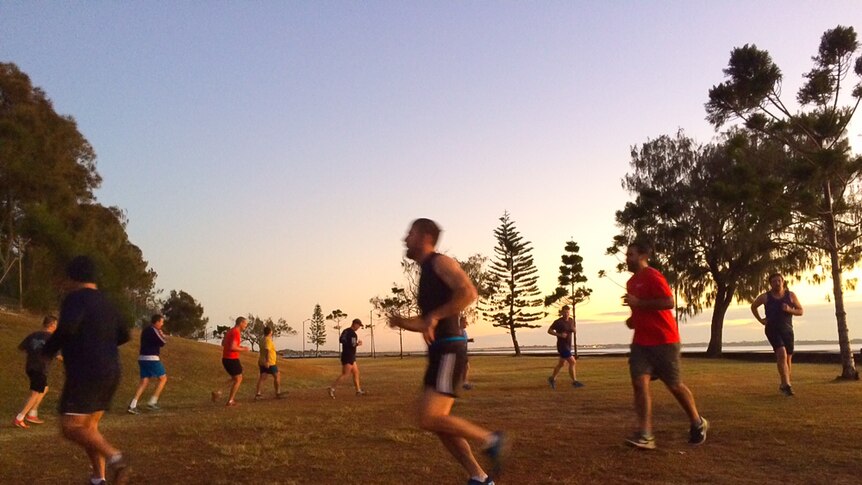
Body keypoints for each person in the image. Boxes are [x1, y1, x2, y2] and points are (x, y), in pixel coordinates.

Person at [388, 219, 505, 485]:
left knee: (430, 418)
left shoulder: (440, 263)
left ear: (426, 237)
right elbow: (427, 321)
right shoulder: (426, 271)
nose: (405, 238)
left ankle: (491, 439)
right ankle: (480, 477)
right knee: (437, 422)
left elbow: (468, 292)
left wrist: (436, 315)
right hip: (440, 352)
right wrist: (401, 321)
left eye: (411, 233)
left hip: (450, 349)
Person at [43, 255, 131, 485]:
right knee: (89, 428)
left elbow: (68, 327)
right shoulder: (108, 302)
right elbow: (125, 334)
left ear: (73, 277)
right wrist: (101, 344)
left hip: (86, 372)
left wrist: (47, 351)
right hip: (112, 370)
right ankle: (98, 479)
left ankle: (116, 458)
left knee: (70, 427)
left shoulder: (75, 298)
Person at [622, 241, 708, 450]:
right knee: (639, 383)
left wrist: (639, 304)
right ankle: (646, 434)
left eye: (631, 254)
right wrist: (633, 319)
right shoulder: (631, 282)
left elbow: (668, 302)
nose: (627, 258)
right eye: (627, 254)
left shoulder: (653, 276)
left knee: (675, 385)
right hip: (641, 343)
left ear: (643, 256)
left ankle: (697, 422)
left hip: (664, 341)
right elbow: (639, 310)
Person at [750, 273, 803, 396]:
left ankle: (784, 384)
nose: (777, 283)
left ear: (783, 281)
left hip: (788, 330)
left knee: (788, 359)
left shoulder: (791, 295)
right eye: (774, 281)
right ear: (770, 284)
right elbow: (753, 307)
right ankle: (787, 386)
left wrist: (790, 310)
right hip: (772, 329)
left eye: (779, 280)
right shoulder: (765, 297)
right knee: (781, 354)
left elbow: (800, 311)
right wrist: (761, 320)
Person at [14, 315, 58, 428]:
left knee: (45, 388)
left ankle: (32, 413)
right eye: (56, 324)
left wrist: (34, 353)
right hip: (40, 368)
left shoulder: (33, 335)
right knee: (36, 393)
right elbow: (58, 356)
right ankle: (20, 417)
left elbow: (21, 348)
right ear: (52, 325)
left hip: (30, 366)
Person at [127, 314, 168, 414]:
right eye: (161, 322)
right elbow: (162, 342)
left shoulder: (145, 330)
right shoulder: (154, 330)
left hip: (142, 358)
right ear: (157, 322)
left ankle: (132, 405)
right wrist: (162, 335)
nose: (162, 324)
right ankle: (152, 402)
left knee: (144, 382)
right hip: (152, 358)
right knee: (163, 378)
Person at [212, 317, 250, 406]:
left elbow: (223, 343)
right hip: (231, 359)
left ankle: (218, 392)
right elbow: (233, 347)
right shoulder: (236, 332)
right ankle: (230, 401)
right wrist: (243, 349)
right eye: (245, 324)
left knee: (235, 378)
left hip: (227, 358)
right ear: (241, 323)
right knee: (238, 379)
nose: (246, 326)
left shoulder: (230, 331)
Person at [547, 305, 584, 389]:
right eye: (565, 312)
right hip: (562, 346)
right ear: (562, 312)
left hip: (568, 345)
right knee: (573, 362)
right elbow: (549, 331)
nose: (566, 314)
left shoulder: (571, 320)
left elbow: (574, 329)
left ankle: (552, 379)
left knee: (561, 364)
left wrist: (574, 330)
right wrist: (559, 334)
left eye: (568, 312)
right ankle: (575, 382)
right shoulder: (558, 322)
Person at [329, 318, 365, 398]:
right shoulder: (353, 334)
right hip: (349, 356)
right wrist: (358, 344)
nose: (359, 328)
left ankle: (358, 390)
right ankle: (332, 388)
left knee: (356, 372)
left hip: (347, 355)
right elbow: (352, 345)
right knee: (345, 374)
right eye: (358, 325)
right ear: (355, 324)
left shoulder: (345, 331)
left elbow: (341, 340)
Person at [255, 326, 283, 400]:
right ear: (270, 332)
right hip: (269, 362)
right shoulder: (268, 340)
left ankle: (258, 394)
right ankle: (278, 393)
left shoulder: (262, 340)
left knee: (262, 377)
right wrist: (267, 361)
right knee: (277, 376)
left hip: (261, 361)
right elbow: (267, 350)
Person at [461, 316, 475, 391]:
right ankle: (464, 383)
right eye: (465, 322)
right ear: (461, 322)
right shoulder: (459, 331)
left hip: (463, 351)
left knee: (465, 367)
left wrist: (469, 340)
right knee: (466, 367)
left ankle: (464, 383)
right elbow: (459, 340)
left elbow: (463, 340)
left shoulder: (464, 332)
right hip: (460, 352)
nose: (466, 324)